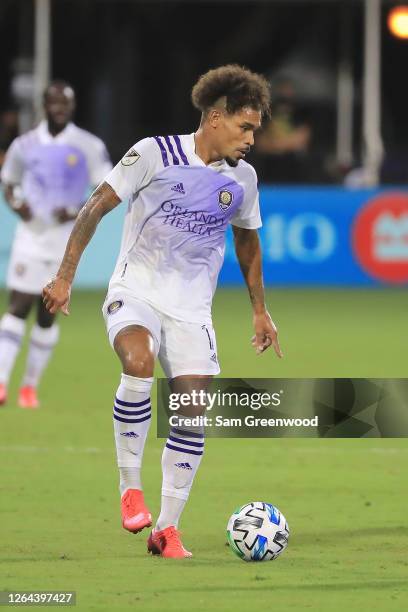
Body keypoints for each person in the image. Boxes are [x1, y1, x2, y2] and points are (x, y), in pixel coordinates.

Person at [42, 65, 283, 558]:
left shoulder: (244, 179)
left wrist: (260, 311)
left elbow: (247, 241)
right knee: (137, 361)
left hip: (192, 309)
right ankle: (130, 489)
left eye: (256, 129)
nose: (252, 138)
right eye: (246, 127)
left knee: (191, 411)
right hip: (137, 289)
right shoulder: (154, 153)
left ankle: (166, 529)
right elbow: (96, 206)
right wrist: (65, 276)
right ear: (215, 118)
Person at [0, 81, 112, 408]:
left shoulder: (88, 145)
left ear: (72, 107)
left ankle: (29, 387)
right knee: (18, 306)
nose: (59, 109)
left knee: (47, 315)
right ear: (44, 105)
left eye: (65, 104)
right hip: (30, 237)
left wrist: (78, 210)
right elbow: (9, 182)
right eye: (53, 103)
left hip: (66, 243)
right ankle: (3, 381)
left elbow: (104, 189)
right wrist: (16, 204)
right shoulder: (25, 145)